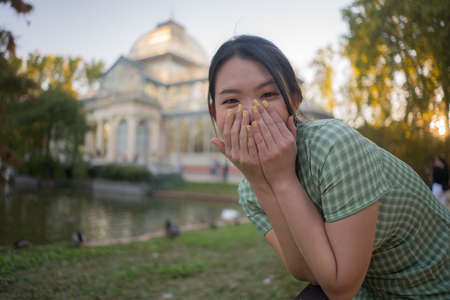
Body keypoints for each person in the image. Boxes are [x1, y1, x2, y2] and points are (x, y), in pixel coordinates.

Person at [207, 35, 450, 299]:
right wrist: (260, 182)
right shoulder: (249, 191)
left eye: (268, 95)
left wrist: (282, 179)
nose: (251, 113)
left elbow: (339, 288)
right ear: (213, 112)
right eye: (231, 101)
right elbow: (306, 271)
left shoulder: (333, 146)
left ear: (295, 101)